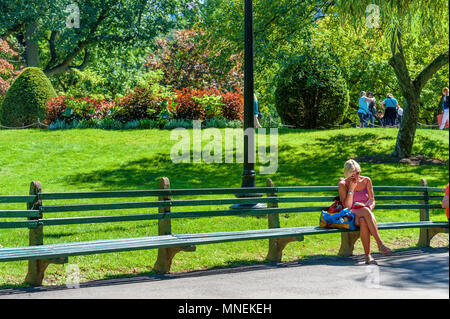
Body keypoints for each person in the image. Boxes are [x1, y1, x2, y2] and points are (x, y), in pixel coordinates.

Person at [338, 159, 392, 265]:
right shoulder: (343, 184)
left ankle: (368, 257)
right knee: (364, 213)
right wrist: (351, 190)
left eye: (357, 173)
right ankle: (380, 244)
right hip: (351, 215)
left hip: (364, 214)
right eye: (353, 175)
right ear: (348, 175)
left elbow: (372, 200)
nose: (357, 177)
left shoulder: (367, 180)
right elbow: (347, 206)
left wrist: (368, 208)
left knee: (363, 220)